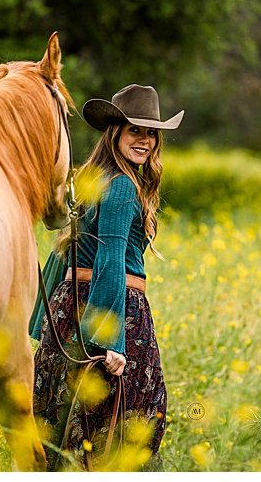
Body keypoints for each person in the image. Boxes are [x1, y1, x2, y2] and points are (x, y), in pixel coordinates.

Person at [29, 84, 182, 470]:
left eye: (151, 133)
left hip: (73, 311)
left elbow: (65, 254)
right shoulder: (120, 188)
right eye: (135, 131)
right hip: (113, 311)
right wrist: (111, 339)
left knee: (65, 424)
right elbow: (110, 260)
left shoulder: (95, 180)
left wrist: (42, 322)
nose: (145, 141)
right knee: (127, 422)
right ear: (115, 133)